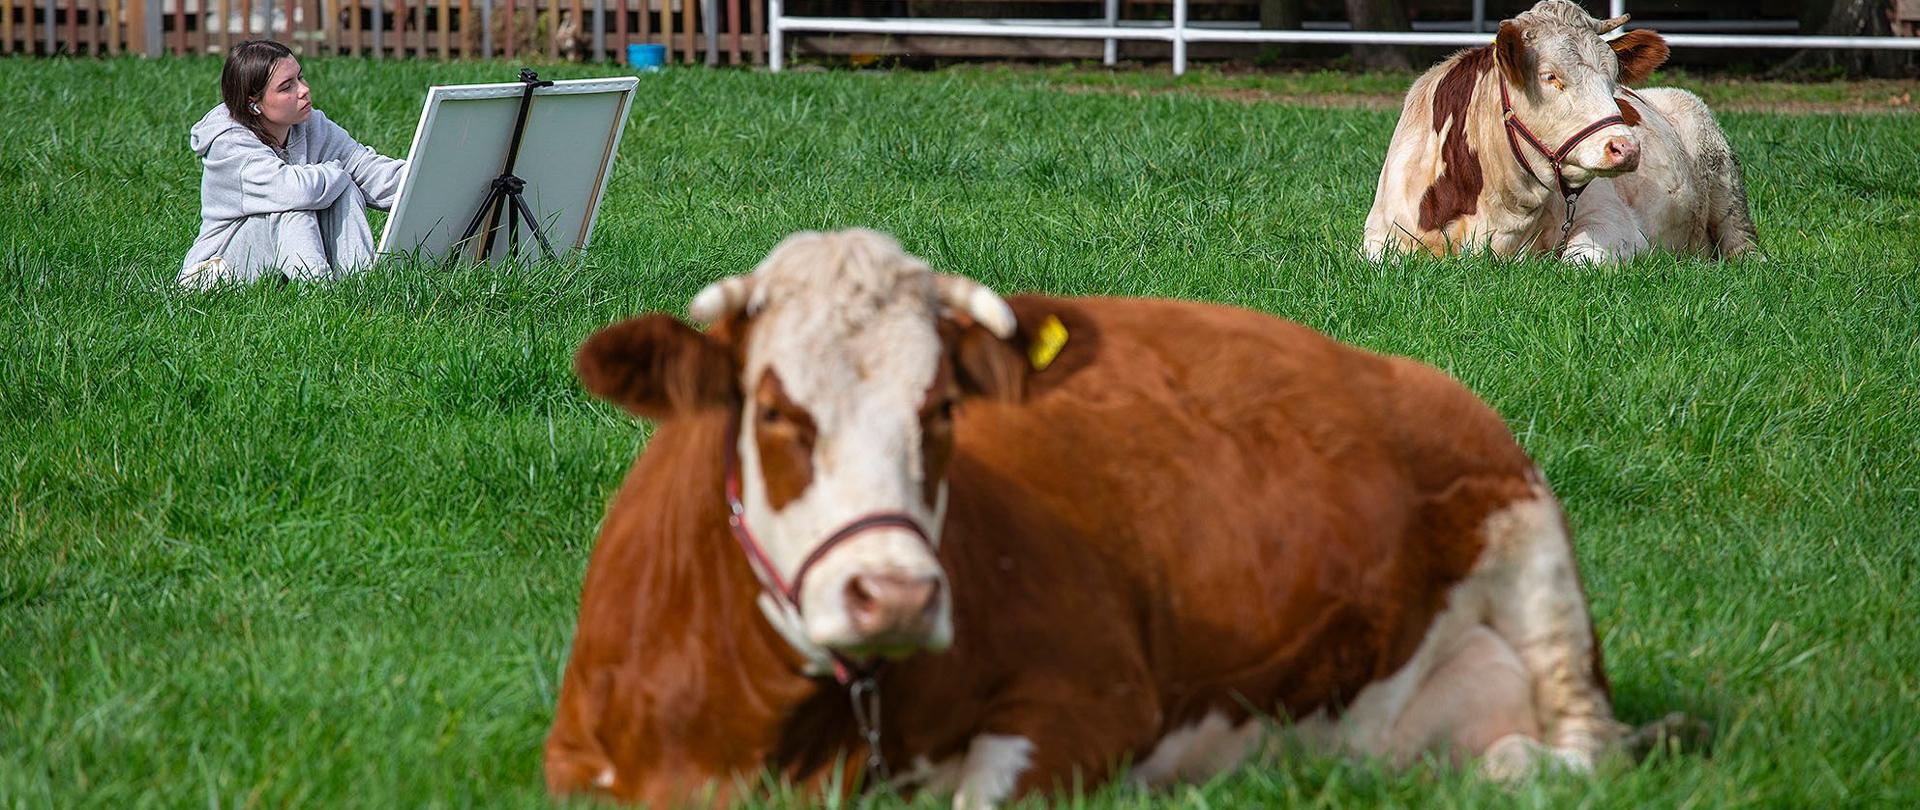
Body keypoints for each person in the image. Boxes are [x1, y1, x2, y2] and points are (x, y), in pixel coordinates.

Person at [180, 40, 407, 288]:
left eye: (300, 78)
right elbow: (292, 190)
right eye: (287, 87)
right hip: (216, 272)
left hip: (276, 265)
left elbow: (365, 167)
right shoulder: (230, 144)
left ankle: (359, 285)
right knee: (293, 205)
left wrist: (428, 178)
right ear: (253, 103)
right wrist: (339, 171)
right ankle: (319, 295)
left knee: (343, 188)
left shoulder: (309, 124)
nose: (303, 90)